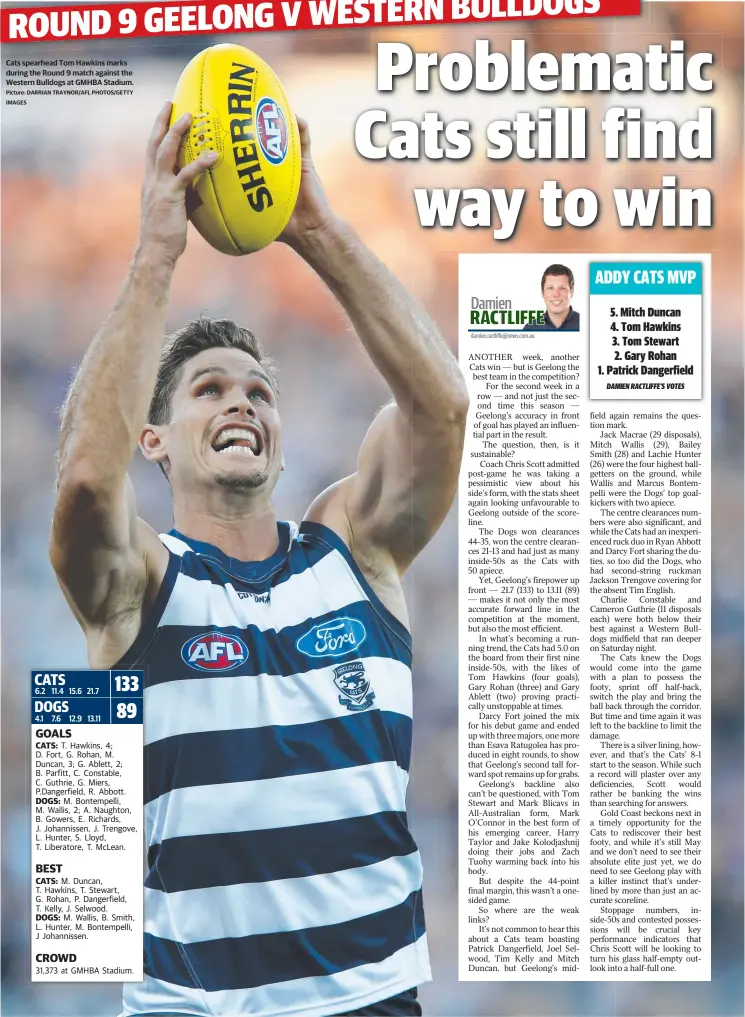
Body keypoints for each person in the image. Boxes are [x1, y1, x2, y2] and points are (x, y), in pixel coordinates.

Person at [50, 104, 468, 1017]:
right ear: (154, 439)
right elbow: (85, 482)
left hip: (373, 1002)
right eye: (209, 388)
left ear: (278, 439)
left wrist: (316, 228)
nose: (242, 401)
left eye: (259, 390)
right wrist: (155, 254)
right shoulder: (141, 588)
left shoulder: (354, 548)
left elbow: (443, 412)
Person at [525, 264, 580, 331]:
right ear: (542, 292)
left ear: (571, 292)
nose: (556, 294)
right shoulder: (530, 328)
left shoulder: (588, 324)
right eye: (550, 288)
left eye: (562, 288)